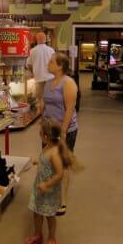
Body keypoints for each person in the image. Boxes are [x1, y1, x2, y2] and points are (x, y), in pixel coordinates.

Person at [24, 119, 75, 244]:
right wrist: (38, 161)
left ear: (46, 136)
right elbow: (45, 161)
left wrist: (46, 184)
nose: (39, 135)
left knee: (49, 216)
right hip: (39, 188)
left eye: (40, 133)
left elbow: (59, 174)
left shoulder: (55, 154)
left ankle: (52, 238)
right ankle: (37, 234)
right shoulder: (47, 147)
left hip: (49, 191)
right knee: (36, 212)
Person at [39, 52, 78, 216]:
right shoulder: (48, 83)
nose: (48, 64)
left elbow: (69, 108)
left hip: (65, 130)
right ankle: (49, 191)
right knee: (48, 162)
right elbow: (44, 104)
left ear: (60, 66)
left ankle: (62, 201)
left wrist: (63, 131)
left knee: (63, 165)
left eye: (51, 62)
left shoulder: (68, 83)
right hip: (48, 131)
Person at [26, 32, 55, 103]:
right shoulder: (51, 50)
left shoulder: (32, 51)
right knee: (50, 98)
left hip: (38, 78)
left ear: (36, 40)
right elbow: (55, 64)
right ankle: (48, 112)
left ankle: (40, 112)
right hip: (50, 78)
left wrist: (33, 72)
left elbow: (29, 64)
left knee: (39, 99)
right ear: (45, 40)